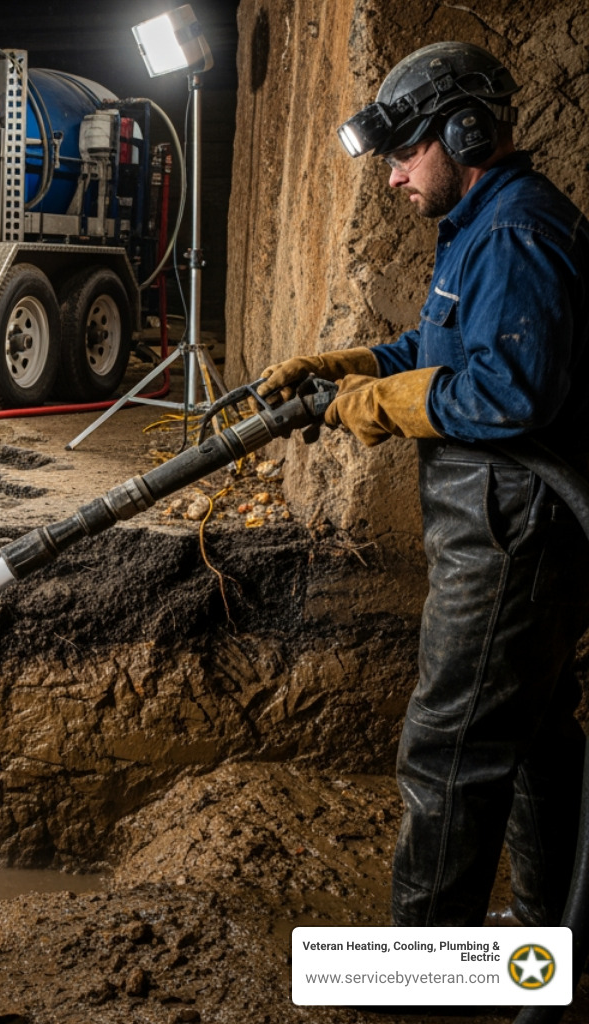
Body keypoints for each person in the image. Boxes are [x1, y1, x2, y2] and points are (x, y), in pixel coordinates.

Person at [259, 41, 589, 928]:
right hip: (502, 523)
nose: (395, 177)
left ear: (466, 132)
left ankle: (424, 976)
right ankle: (545, 928)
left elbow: (512, 390)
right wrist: (359, 364)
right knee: (528, 735)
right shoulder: (478, 225)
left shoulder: (517, 231)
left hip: (509, 531)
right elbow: (446, 353)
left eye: (406, 153)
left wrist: (392, 401)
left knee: (449, 747)